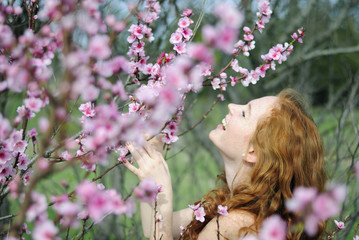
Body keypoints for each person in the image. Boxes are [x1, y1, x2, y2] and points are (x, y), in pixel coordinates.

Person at [124, 88, 327, 240]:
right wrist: (153, 160)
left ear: (253, 151)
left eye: (245, 113)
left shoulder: (236, 224)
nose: (232, 107)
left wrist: (161, 187)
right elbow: (154, 228)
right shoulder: (230, 206)